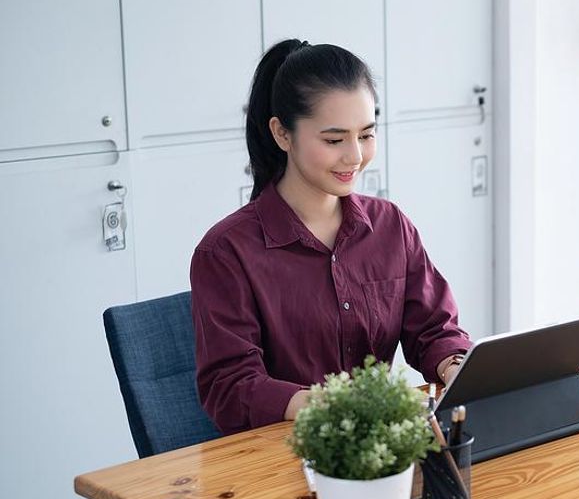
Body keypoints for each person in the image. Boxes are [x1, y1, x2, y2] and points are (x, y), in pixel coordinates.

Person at [191, 39, 471, 435]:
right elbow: (230, 387)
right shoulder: (226, 253)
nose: (355, 156)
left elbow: (433, 330)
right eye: (334, 140)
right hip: (280, 460)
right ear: (282, 134)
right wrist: (334, 406)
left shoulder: (391, 227)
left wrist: (455, 365)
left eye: (367, 134)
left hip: (378, 449)